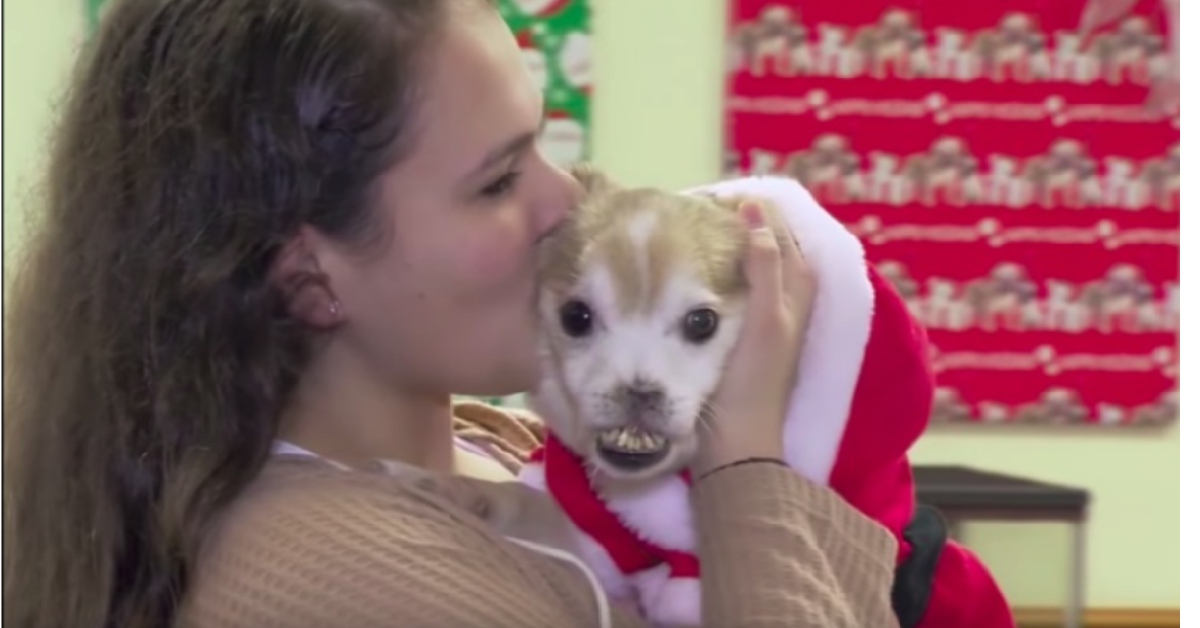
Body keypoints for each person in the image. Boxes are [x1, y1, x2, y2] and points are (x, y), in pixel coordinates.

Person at [2, 1, 902, 627]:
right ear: (310, 277)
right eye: (501, 180)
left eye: (546, 147)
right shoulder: (340, 578)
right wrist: (746, 457)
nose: (568, 200)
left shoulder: (500, 443)